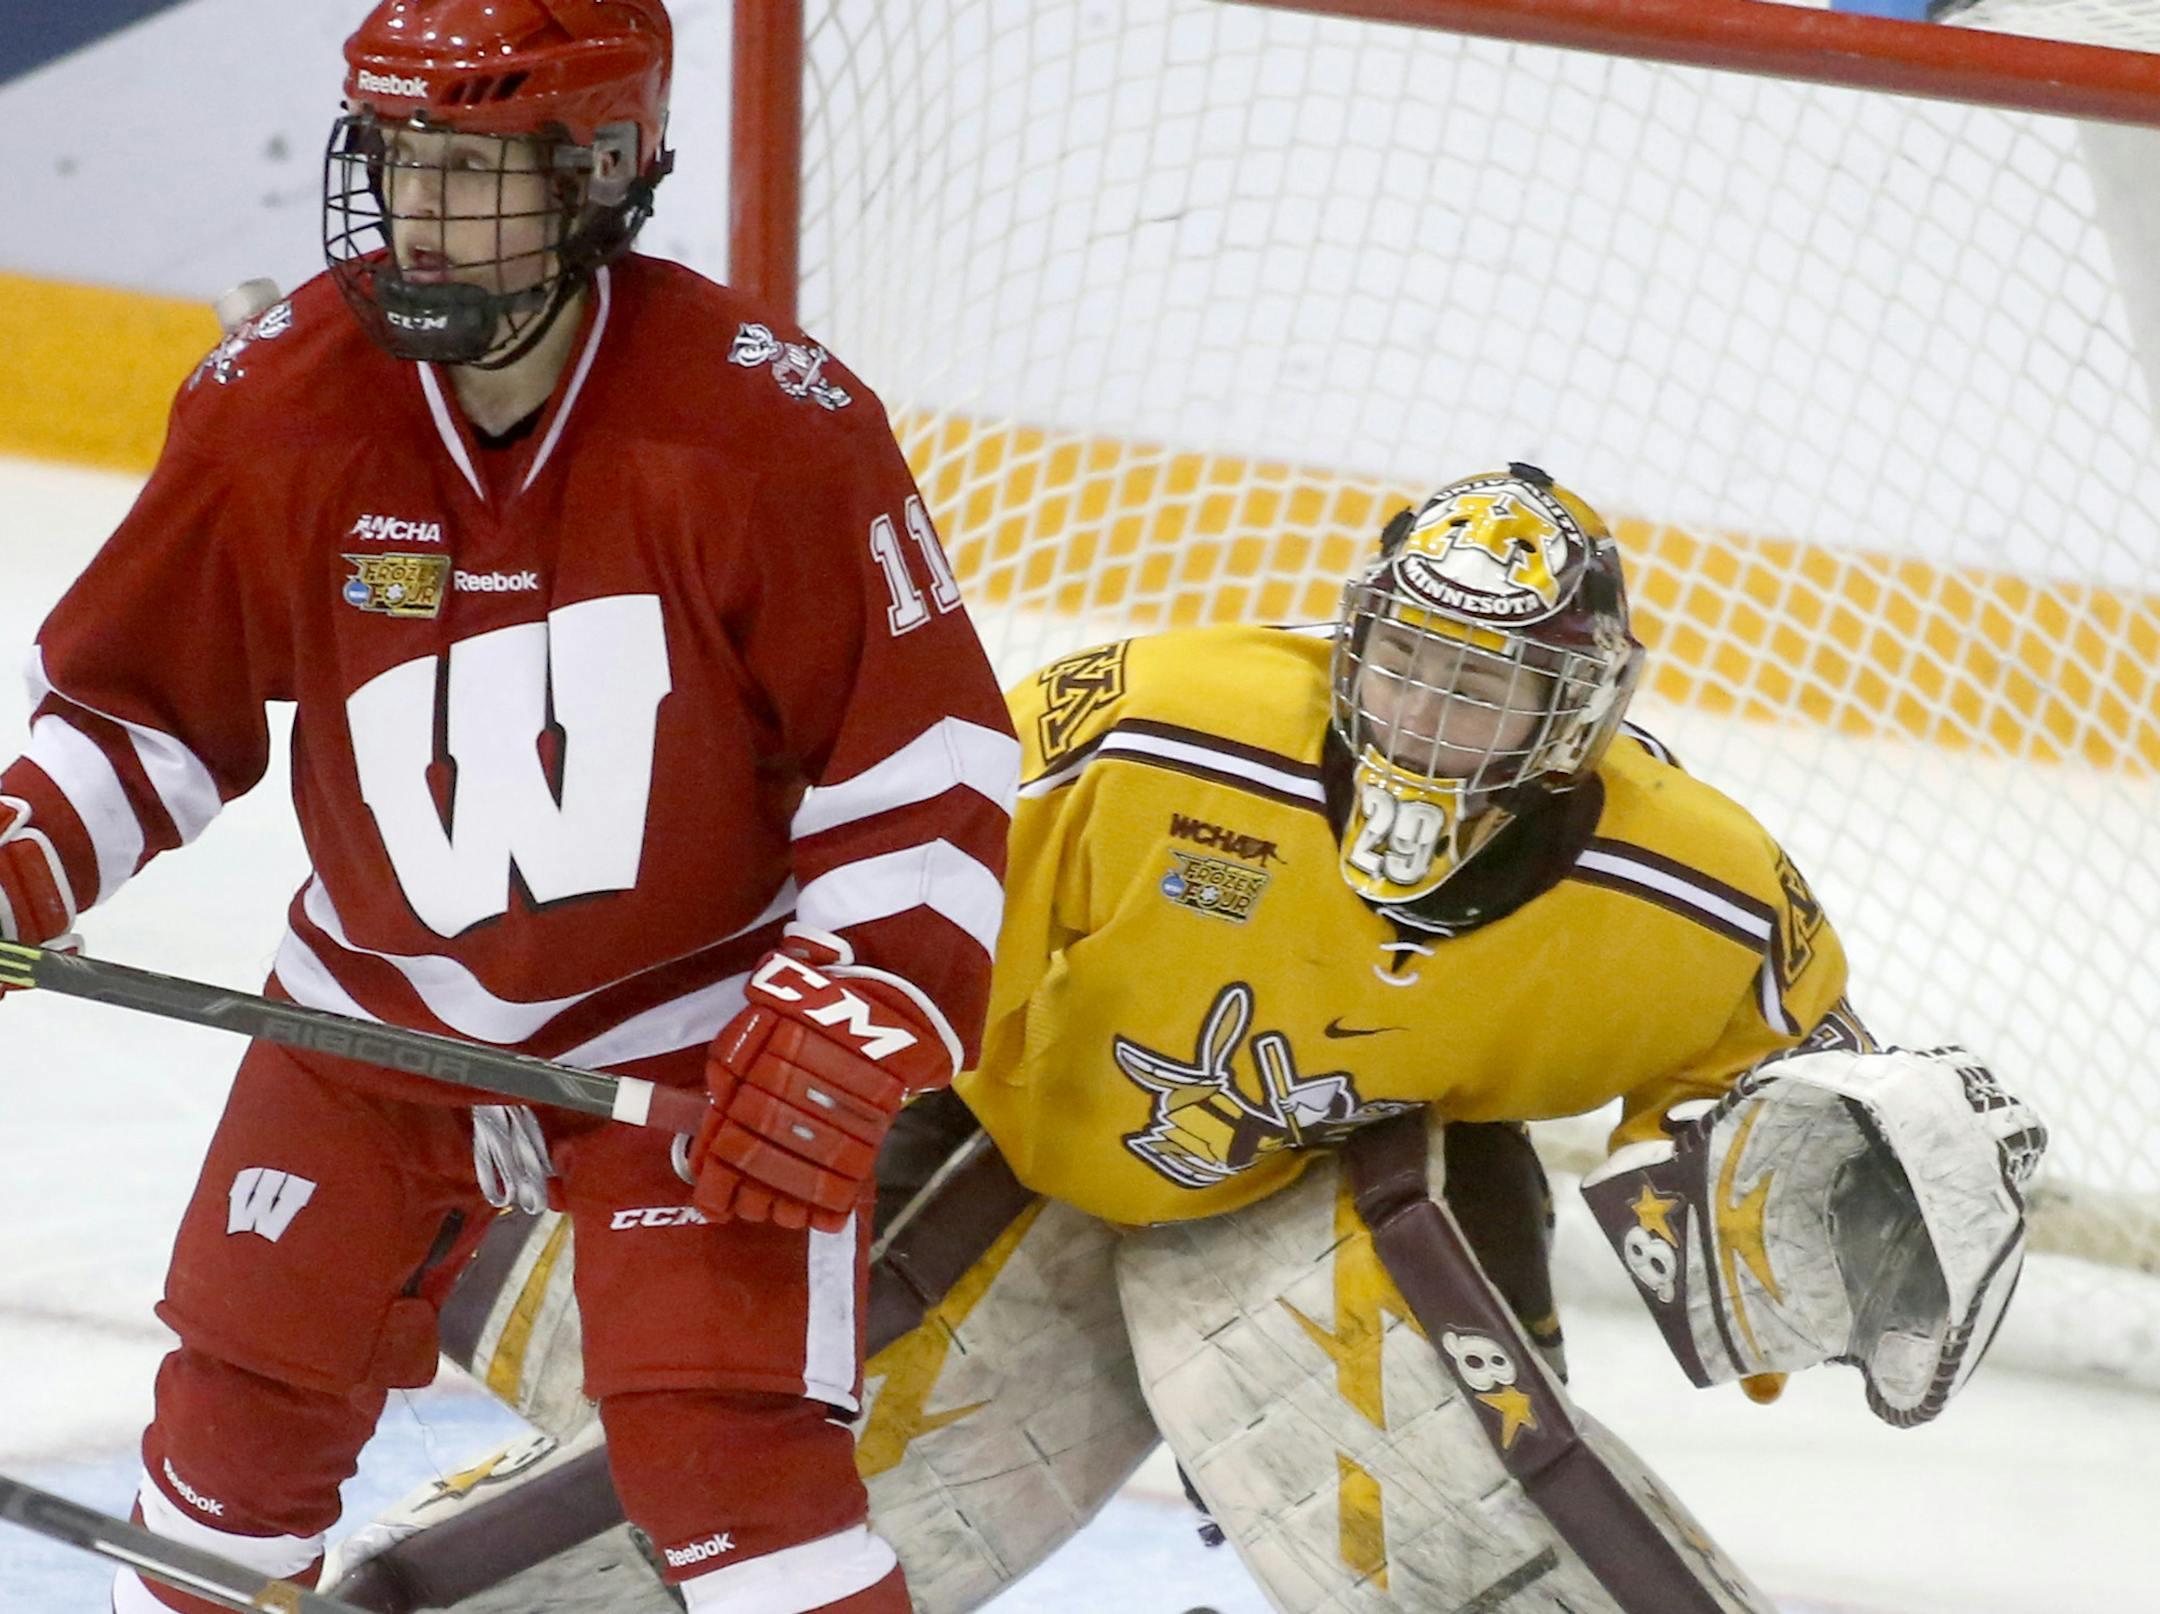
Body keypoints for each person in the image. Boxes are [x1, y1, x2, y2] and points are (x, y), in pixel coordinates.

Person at [311, 464, 2044, 1612]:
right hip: (1012, 1141)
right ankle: (533, 1309)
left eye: (1487, 689)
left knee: (1462, 1452)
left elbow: (1785, 1127)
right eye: (1409, 667)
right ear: (1353, 645)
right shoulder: (1159, 728)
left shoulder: (1703, 892)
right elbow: (886, 876)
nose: (1429, 721)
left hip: (1346, 1193)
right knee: (772, 1466)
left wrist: (1883, 1196)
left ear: (1575, 710)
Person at [0, 3, 1018, 1611]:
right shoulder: (279, 405)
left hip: (685, 1031)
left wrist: (865, 997)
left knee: (734, 1473)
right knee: (228, 1443)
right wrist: (22, 856)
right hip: (363, 1025)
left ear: (604, 169)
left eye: (473, 168)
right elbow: (139, 706)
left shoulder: (767, 432)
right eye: (401, 155)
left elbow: (925, 766)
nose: (418, 207)